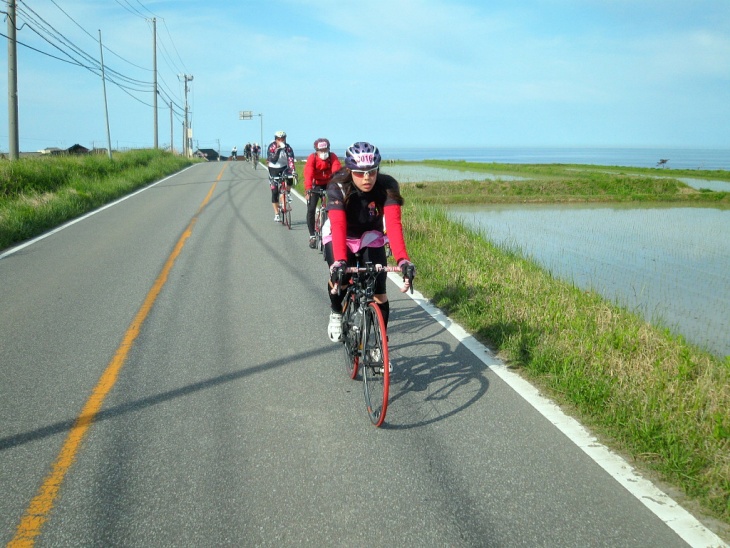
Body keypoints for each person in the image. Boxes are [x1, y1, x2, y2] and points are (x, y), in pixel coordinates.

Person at [324, 142, 415, 346]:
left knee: (379, 291)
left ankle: (380, 344)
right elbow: (338, 226)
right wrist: (339, 262)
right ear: (350, 170)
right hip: (340, 235)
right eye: (360, 172)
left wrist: (403, 260)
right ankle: (337, 312)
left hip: (370, 236)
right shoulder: (338, 185)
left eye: (372, 172)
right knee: (342, 278)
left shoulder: (387, 185)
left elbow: (393, 225)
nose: (367, 178)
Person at [304, 138, 341, 248]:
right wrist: (308, 189)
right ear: (316, 150)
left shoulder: (332, 157)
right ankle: (312, 236)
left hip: (330, 183)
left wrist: (338, 185)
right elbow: (308, 173)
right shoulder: (312, 158)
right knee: (311, 209)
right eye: (321, 150)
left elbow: (336, 171)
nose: (324, 153)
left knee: (336, 205)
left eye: (325, 150)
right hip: (316, 184)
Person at [266, 131, 296, 222]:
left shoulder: (288, 148)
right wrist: (278, 149)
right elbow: (273, 159)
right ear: (276, 139)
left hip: (284, 167)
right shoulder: (272, 147)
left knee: (290, 177)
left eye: (283, 139)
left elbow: (290, 159)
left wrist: (293, 170)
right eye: (279, 139)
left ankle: (287, 192)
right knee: (274, 191)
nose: (281, 141)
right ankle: (276, 213)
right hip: (273, 168)